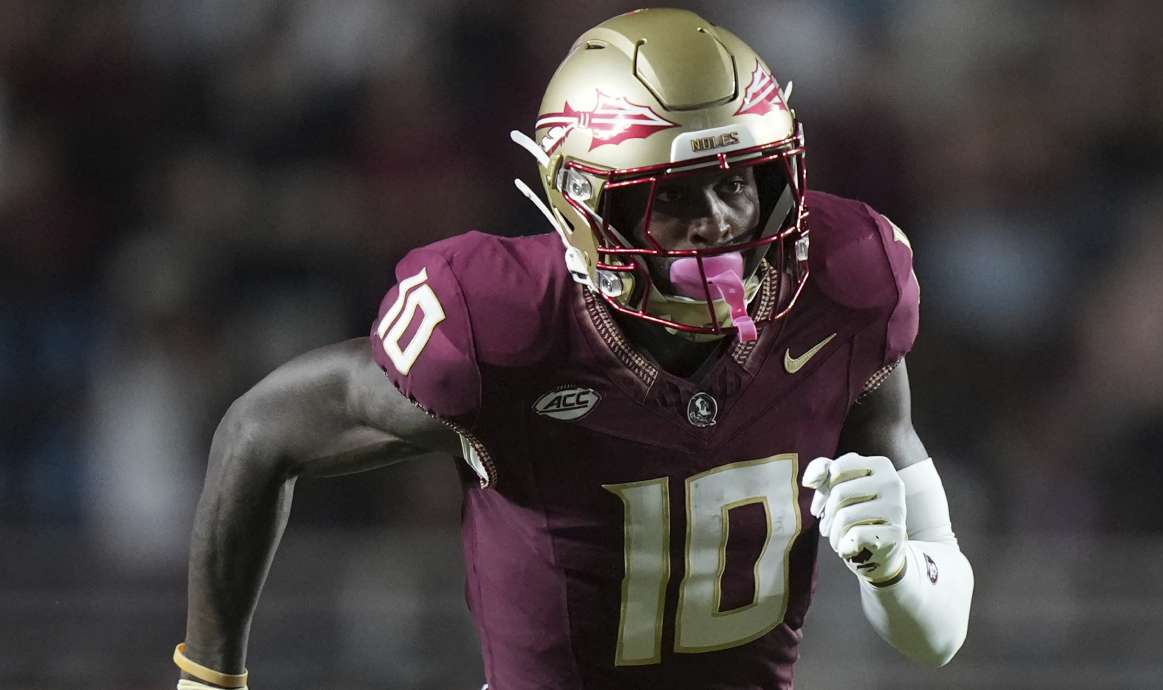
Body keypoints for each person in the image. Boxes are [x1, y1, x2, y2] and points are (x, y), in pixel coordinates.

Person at [173, 8, 973, 690]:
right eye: (673, 197)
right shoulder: (504, 328)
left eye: (740, 182)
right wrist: (207, 677)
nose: (721, 223)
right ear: (588, 208)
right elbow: (259, 432)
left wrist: (895, 568)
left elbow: (938, 637)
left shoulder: (843, 286)